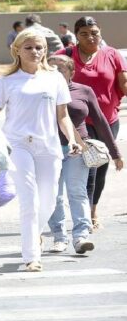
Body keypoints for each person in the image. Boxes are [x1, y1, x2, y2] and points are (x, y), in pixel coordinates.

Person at [0, 28, 80, 273]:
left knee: (48, 201)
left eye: (39, 47)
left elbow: (63, 116)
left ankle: (34, 234)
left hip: (48, 146)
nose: (35, 52)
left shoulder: (55, 79)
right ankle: (31, 256)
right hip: (17, 145)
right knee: (29, 200)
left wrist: (71, 139)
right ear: (17, 50)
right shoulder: (6, 81)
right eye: (28, 47)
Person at [53, 16, 127, 230]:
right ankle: (83, 215)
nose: (90, 37)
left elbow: (123, 82)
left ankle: (92, 209)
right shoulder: (65, 55)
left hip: (107, 119)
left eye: (94, 32)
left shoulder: (112, 54)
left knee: (100, 166)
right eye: (84, 33)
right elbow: (45, 73)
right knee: (87, 167)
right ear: (75, 36)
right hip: (76, 122)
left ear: (100, 32)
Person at [46, 55, 122, 255]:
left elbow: (100, 121)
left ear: (71, 72)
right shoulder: (41, 91)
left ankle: (80, 236)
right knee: (54, 195)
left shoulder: (83, 91)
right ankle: (59, 237)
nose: (55, 73)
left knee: (77, 191)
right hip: (48, 150)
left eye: (60, 69)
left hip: (77, 149)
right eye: (50, 68)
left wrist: (115, 153)